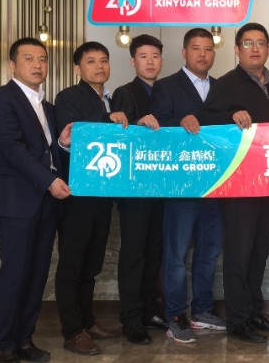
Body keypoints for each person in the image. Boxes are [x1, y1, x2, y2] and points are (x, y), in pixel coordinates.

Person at [192, 22, 269, 343]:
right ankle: (238, 321)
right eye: (248, 43)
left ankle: (254, 311)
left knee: (260, 251)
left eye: (260, 43)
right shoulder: (227, 84)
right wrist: (230, 116)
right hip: (240, 184)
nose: (255, 49)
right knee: (239, 252)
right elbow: (205, 123)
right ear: (236, 50)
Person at [0, 37, 72, 363]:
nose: (37, 65)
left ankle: (24, 340)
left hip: (46, 203)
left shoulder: (48, 108)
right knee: (16, 273)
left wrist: (62, 144)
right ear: (12, 65)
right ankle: (4, 346)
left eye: (43, 59)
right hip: (14, 202)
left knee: (36, 275)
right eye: (29, 58)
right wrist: (50, 181)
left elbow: (45, 153)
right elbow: (12, 149)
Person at [150, 28, 226, 344]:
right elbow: (156, 129)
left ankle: (203, 310)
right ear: (184, 53)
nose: (202, 54)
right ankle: (176, 315)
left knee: (209, 251)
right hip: (181, 186)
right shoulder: (166, 86)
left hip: (216, 184)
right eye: (196, 48)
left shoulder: (223, 88)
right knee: (176, 255)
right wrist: (178, 122)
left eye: (208, 49)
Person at [54, 41, 127, 356]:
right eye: (91, 61)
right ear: (77, 68)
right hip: (77, 196)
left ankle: (87, 322)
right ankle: (73, 331)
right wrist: (110, 120)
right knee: (72, 263)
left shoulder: (111, 99)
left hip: (102, 195)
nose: (99, 66)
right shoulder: (69, 97)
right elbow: (78, 134)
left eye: (104, 60)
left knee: (92, 263)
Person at [110, 34, 167, 345]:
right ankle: (131, 319)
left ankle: (149, 311)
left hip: (162, 186)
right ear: (132, 61)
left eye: (155, 56)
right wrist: (135, 124)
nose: (150, 62)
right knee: (134, 253)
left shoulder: (168, 90)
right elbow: (119, 138)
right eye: (143, 56)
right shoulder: (124, 93)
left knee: (154, 252)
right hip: (134, 190)